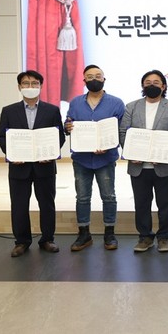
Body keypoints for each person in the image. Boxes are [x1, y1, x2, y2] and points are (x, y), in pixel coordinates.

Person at [0, 70, 66, 257]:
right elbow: (1, 136)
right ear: (19, 87)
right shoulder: (9, 110)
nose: (30, 87)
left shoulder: (52, 110)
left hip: (45, 166)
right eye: (26, 83)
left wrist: (51, 154)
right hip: (19, 167)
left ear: (41, 86)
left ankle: (47, 239)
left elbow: (59, 136)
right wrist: (12, 154)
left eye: (35, 83)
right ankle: (22, 241)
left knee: (47, 204)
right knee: (19, 205)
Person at [65, 64, 125, 252]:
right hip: (81, 159)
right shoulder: (75, 102)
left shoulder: (116, 103)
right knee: (82, 197)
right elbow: (69, 122)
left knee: (109, 196)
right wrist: (67, 126)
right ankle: (84, 234)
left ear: (104, 79)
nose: (94, 79)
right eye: (90, 76)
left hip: (105, 159)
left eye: (98, 76)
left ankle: (110, 233)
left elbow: (121, 130)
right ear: (84, 81)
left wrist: (109, 145)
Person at [119, 70, 168, 253]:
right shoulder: (131, 107)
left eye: (156, 82)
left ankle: (163, 238)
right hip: (138, 166)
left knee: (165, 204)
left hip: (164, 166)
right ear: (142, 85)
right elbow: (123, 132)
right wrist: (130, 152)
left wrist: (163, 155)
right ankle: (145, 237)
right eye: (148, 82)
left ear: (163, 86)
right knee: (141, 204)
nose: (151, 85)